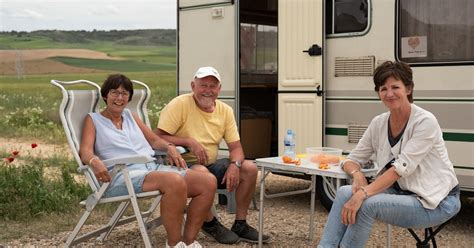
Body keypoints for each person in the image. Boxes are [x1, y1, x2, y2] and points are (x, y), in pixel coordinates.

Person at [318, 61, 461, 247]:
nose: (389, 93)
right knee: (345, 192)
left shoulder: (425, 122)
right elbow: (351, 160)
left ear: (408, 89)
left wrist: (363, 193)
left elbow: (399, 170)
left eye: (395, 87)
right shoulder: (379, 122)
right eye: (383, 88)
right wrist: (358, 175)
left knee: (368, 204)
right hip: (401, 193)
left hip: (436, 201)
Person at [79, 74, 217, 248]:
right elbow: (85, 150)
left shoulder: (131, 116)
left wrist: (169, 147)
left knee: (208, 182)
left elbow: (154, 140)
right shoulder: (94, 120)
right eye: (115, 93)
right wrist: (93, 161)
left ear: (129, 98)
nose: (119, 98)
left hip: (151, 169)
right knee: (173, 181)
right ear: (105, 95)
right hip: (121, 175)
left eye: (124, 94)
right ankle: (174, 244)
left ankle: (188, 242)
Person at [156, 66, 270, 244]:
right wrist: (189, 141)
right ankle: (210, 223)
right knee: (202, 171)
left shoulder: (225, 110)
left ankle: (240, 223)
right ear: (193, 86)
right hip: (179, 166)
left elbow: (237, 148)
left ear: (219, 89)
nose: (208, 91)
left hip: (210, 163)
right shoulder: (180, 104)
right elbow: (158, 137)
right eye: (203, 85)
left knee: (249, 168)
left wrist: (235, 165)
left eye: (212, 86)